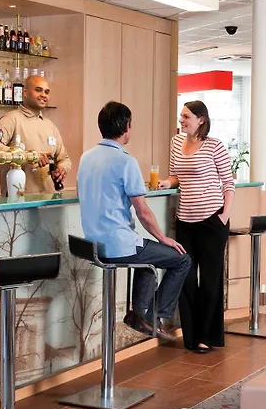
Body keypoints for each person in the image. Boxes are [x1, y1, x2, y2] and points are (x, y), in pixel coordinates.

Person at [77, 101, 192, 342]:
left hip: (91, 245)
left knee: (147, 256)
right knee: (181, 260)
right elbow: (143, 212)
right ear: (127, 127)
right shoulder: (126, 161)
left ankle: (139, 315)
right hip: (117, 246)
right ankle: (152, 317)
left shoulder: (86, 158)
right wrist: (164, 238)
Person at [158, 100, 235, 353]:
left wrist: (224, 216)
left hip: (212, 221)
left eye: (186, 117)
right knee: (187, 279)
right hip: (185, 222)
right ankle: (190, 336)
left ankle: (207, 337)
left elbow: (228, 184)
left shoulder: (215, 146)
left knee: (210, 281)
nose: (181, 121)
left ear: (201, 119)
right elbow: (176, 175)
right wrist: (167, 183)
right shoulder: (176, 143)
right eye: (181, 116)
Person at [0, 75, 71, 195]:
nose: (43, 95)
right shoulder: (11, 119)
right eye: (38, 90)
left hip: (49, 199)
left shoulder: (50, 125)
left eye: (46, 92)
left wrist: (62, 168)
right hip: (20, 200)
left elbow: (64, 159)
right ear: (25, 92)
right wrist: (30, 156)